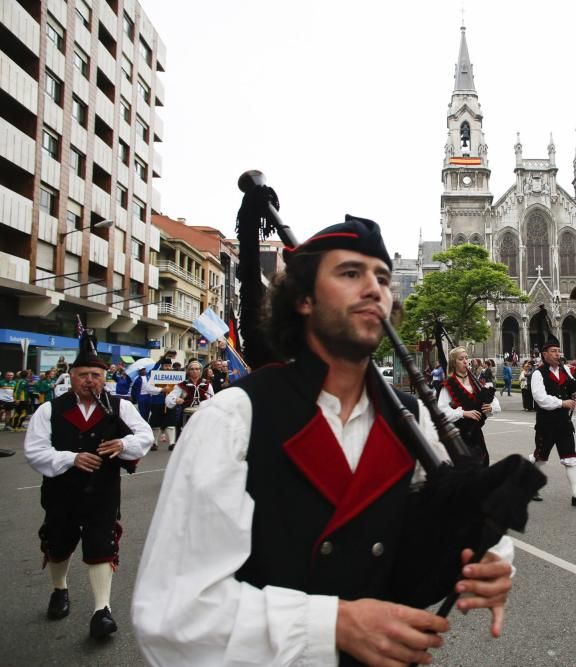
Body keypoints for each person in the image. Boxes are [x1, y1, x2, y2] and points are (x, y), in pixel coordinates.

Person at [133, 215, 514, 666]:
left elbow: (440, 526)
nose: (374, 288)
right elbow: (173, 615)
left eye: (383, 278)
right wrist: (333, 624)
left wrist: (488, 558)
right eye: (351, 273)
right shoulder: (234, 419)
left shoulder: (414, 422)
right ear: (302, 299)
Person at [24, 332, 153, 639]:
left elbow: (145, 436)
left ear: (104, 377)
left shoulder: (119, 406)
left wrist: (122, 443)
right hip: (60, 493)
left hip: (103, 493)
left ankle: (102, 610)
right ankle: (59, 590)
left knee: (101, 545)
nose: (89, 381)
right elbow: (35, 451)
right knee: (58, 543)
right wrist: (71, 458)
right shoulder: (50, 410)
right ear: (71, 377)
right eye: (83, 375)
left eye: (96, 375)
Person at [530, 335, 576, 507]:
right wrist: (562, 403)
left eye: (558, 351)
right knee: (541, 458)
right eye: (553, 351)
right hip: (546, 423)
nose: (557, 354)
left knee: (570, 457)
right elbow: (540, 398)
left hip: (564, 423)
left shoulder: (564, 370)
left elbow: (572, 387)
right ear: (544, 354)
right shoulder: (538, 374)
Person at [438, 346, 500, 464]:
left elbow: (495, 402)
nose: (465, 361)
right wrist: (463, 413)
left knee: (482, 466)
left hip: (476, 436)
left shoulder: (476, 383)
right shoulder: (449, 384)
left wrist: (491, 407)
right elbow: (441, 412)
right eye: (461, 359)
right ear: (453, 362)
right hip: (458, 436)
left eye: (466, 358)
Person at [165, 359, 215, 442]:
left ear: (200, 371)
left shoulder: (207, 384)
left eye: (197, 369)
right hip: (187, 417)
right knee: (186, 441)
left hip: (202, 416)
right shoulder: (182, 384)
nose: (194, 371)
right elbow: (169, 398)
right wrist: (176, 400)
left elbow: (213, 398)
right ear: (188, 371)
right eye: (192, 369)